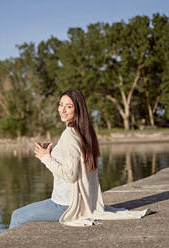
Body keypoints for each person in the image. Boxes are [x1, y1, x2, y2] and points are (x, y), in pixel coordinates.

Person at [9, 89, 150, 228]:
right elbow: (76, 166)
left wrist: (45, 158)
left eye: (69, 106)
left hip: (66, 205)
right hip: (81, 201)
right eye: (60, 105)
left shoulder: (69, 135)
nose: (62, 110)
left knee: (17, 215)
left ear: (78, 109)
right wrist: (51, 154)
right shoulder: (84, 132)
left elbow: (70, 175)